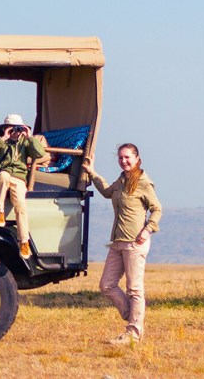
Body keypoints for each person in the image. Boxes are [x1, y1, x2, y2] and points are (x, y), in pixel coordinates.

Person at [82, 142, 162, 344]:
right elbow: (108, 192)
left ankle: (133, 333)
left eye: (127, 157)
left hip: (135, 242)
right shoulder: (121, 181)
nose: (124, 161)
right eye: (120, 158)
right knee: (107, 285)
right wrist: (92, 173)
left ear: (137, 158)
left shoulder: (143, 182)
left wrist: (148, 229)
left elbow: (157, 209)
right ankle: (135, 319)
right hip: (117, 242)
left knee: (134, 289)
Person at [0, 113, 47, 258]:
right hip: (1, 176)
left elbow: (40, 153)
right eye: (11, 129)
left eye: (17, 129)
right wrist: (3, 138)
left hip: (18, 178)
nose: (15, 132)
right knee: (4, 175)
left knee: (21, 206)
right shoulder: (2, 143)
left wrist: (29, 136)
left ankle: (24, 241)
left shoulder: (25, 143)